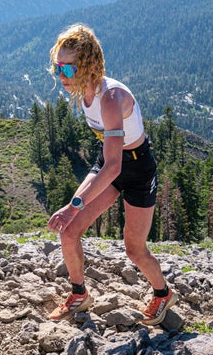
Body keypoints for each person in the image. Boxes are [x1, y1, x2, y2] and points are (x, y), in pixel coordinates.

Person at [45, 23, 178, 325]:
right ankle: (79, 294)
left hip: (137, 168)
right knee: (68, 230)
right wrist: (72, 208)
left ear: (87, 66)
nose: (60, 76)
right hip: (109, 160)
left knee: (134, 249)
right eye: (58, 68)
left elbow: (115, 167)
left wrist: (73, 204)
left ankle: (163, 293)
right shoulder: (84, 92)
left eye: (67, 69)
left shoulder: (111, 98)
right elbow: (108, 161)